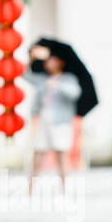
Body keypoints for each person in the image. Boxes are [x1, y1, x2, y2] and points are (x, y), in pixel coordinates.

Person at [24, 45, 82, 192]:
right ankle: (31, 187)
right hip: (44, 118)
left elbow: (75, 93)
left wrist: (58, 85)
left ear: (60, 62)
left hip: (61, 121)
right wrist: (32, 58)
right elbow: (25, 75)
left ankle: (64, 187)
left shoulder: (69, 78)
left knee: (62, 154)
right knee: (38, 152)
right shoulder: (43, 79)